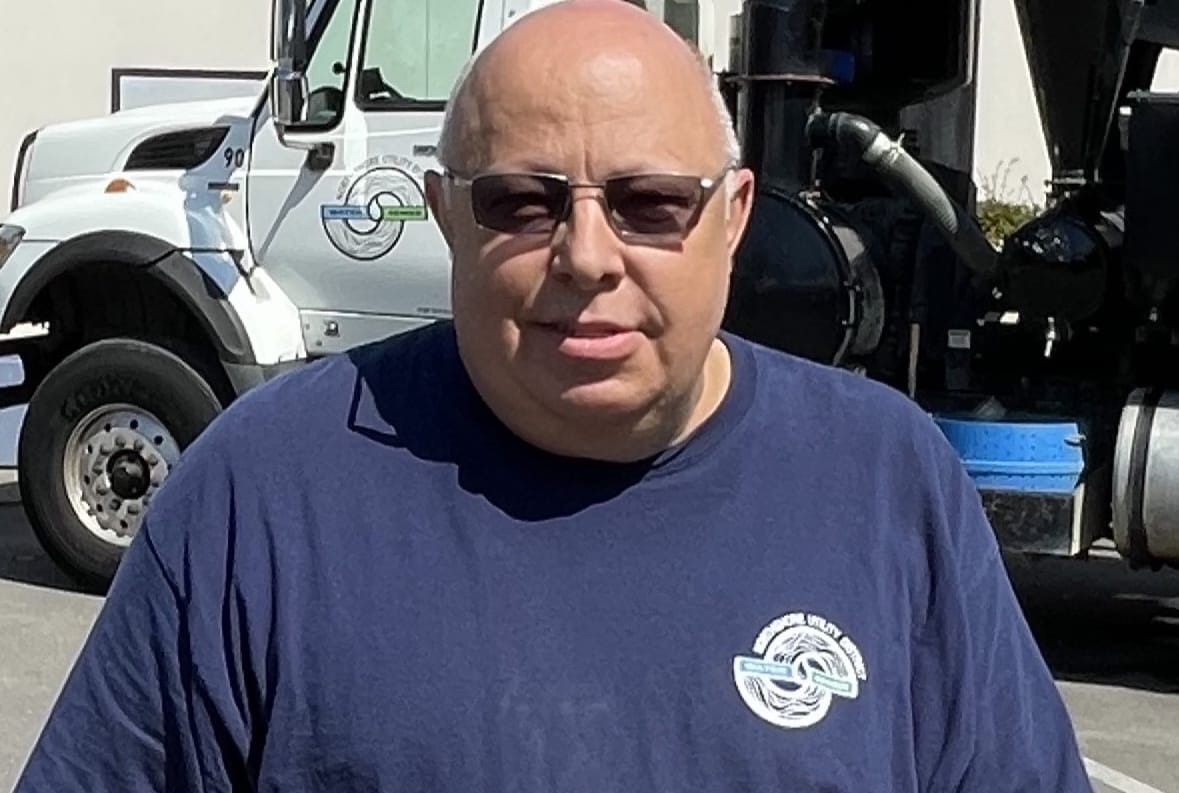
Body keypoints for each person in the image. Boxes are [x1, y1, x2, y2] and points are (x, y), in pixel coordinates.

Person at [14, 1, 1093, 791]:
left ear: (732, 216)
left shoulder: (886, 484)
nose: (586, 254)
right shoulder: (266, 493)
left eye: (650, 202)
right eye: (522, 203)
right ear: (446, 219)